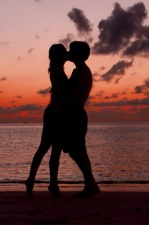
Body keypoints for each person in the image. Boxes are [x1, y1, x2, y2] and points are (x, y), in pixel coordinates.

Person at [25, 44, 68, 196]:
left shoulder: (56, 70)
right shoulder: (57, 72)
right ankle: (51, 183)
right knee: (51, 150)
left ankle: (34, 180)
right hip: (56, 114)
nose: (67, 55)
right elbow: (61, 95)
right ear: (59, 56)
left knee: (45, 149)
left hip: (53, 112)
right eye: (64, 53)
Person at [61, 41, 100, 197]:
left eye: (72, 51)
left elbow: (73, 93)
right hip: (76, 113)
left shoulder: (81, 72)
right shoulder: (80, 70)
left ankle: (92, 184)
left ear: (77, 54)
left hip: (75, 114)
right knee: (81, 151)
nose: (69, 53)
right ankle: (90, 185)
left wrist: (61, 106)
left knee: (74, 151)